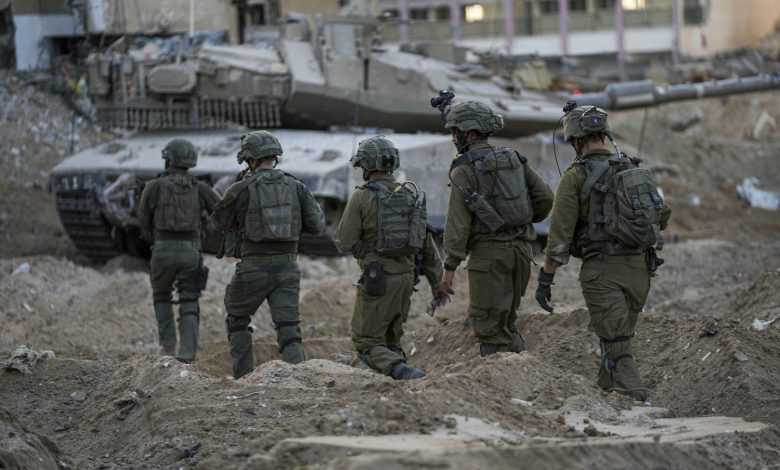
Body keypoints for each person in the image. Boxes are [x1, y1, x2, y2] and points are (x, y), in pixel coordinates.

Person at [535, 105, 671, 402]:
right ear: (604, 134)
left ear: (575, 140)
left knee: (618, 343)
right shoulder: (632, 169)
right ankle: (606, 391)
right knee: (616, 338)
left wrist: (546, 279)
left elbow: (559, 236)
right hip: (640, 271)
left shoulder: (575, 176)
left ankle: (636, 399)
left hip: (602, 273)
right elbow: (662, 215)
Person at [441, 101, 554, 357]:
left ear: (470, 133)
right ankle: (520, 369)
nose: (454, 139)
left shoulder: (463, 169)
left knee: (490, 330)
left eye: (456, 133)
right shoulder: (513, 158)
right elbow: (546, 197)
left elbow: (457, 224)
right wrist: (524, 221)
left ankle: (505, 377)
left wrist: (449, 269)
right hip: (522, 254)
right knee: (507, 322)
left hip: (489, 259)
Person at [333, 136, 448, 380]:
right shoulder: (409, 195)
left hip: (378, 280)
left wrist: (364, 252)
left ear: (366, 166)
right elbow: (427, 246)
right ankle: (400, 385)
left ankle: (404, 373)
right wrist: (437, 284)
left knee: (367, 342)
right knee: (391, 340)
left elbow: (344, 241)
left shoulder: (361, 197)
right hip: (406, 279)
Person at [213, 130, 325, 379]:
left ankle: (244, 377)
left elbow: (218, 223)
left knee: (238, 319)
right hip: (288, 267)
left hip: (252, 268)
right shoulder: (296, 186)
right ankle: (298, 379)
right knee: (289, 327)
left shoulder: (241, 188)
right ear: (275, 157)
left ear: (250, 160)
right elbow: (317, 225)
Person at [138, 138, 221, 363]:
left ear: (169, 160)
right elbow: (222, 210)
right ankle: (187, 354)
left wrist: (156, 239)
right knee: (190, 301)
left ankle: (167, 348)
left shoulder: (153, 187)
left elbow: (143, 220)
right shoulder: (201, 188)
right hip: (191, 251)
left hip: (162, 250)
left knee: (161, 295)